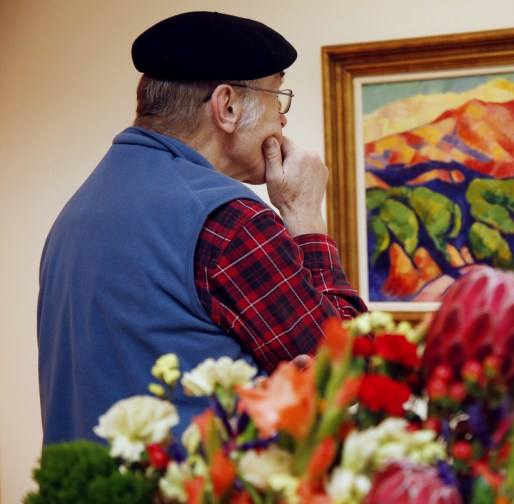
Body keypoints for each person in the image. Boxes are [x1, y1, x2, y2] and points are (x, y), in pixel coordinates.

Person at [37, 11, 367, 445]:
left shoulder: (77, 210)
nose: (281, 120)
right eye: (277, 97)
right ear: (227, 106)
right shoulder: (228, 219)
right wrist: (304, 214)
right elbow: (351, 372)